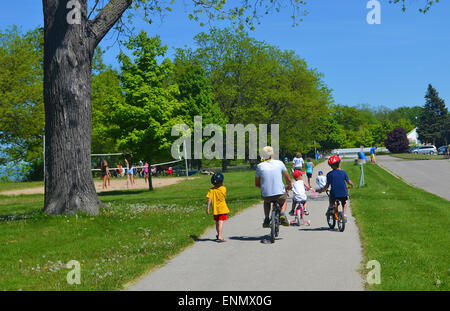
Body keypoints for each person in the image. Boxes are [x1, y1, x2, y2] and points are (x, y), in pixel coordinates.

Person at [255, 146, 293, 228]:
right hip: (279, 193)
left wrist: (264, 188)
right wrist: (289, 186)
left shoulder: (260, 166)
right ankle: (282, 213)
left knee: (266, 202)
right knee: (284, 201)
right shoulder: (280, 163)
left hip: (266, 194)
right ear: (273, 154)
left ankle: (266, 218)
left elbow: (257, 183)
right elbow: (288, 179)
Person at [317, 155, 354, 223]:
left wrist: (321, 190)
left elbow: (327, 186)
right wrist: (352, 185)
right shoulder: (343, 172)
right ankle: (344, 214)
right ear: (339, 163)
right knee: (344, 203)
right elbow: (348, 181)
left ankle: (332, 208)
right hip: (343, 193)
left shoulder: (329, 174)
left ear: (331, 166)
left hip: (334, 193)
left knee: (331, 200)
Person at [206, 172, 229, 242]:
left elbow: (209, 199)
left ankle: (218, 234)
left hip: (215, 209)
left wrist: (207, 208)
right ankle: (220, 236)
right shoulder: (223, 189)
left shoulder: (211, 190)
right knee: (221, 222)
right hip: (222, 209)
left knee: (217, 222)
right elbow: (224, 196)